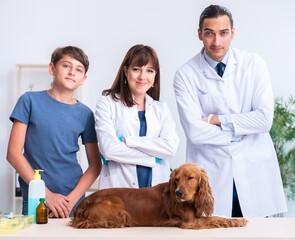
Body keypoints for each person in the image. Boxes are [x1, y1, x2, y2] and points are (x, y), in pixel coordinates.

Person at [173, 5, 287, 217]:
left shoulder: (254, 65)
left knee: (257, 232)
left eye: (223, 33)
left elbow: (263, 120)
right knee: (215, 230)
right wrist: (239, 131)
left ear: (232, 32)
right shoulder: (185, 75)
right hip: (213, 170)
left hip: (253, 169)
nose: (217, 42)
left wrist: (217, 120)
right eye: (209, 33)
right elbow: (195, 132)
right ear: (199, 34)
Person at [7, 46, 102, 218]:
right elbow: (13, 154)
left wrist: (70, 201)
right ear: (52, 68)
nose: (72, 72)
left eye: (78, 69)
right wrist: (47, 195)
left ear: (83, 79)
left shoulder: (86, 114)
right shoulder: (29, 101)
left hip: (72, 200)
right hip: (37, 198)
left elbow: (95, 166)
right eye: (66, 66)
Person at [95, 44, 179, 189]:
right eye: (136, 69)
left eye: (149, 71)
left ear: (155, 75)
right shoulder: (107, 103)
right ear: (126, 71)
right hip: (119, 191)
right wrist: (154, 157)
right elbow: (109, 149)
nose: (142, 77)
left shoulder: (161, 109)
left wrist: (127, 141)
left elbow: (170, 148)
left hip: (157, 193)